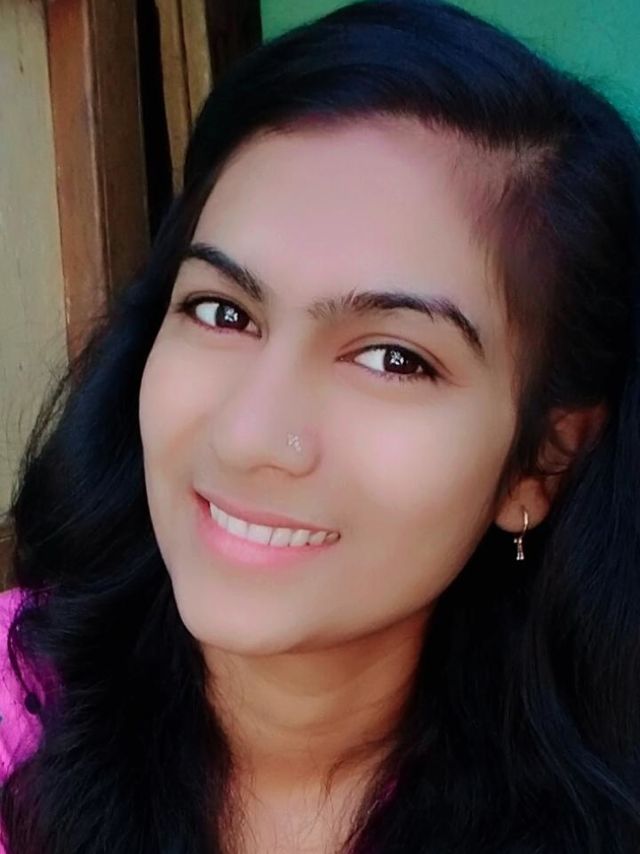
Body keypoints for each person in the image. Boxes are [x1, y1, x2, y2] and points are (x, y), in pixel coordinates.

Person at [1, 0, 639, 850]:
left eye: (393, 359)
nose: (248, 437)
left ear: (540, 465)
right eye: (222, 312)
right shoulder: (18, 709)